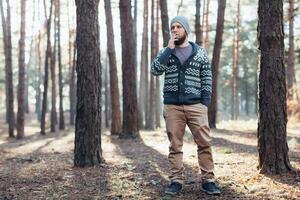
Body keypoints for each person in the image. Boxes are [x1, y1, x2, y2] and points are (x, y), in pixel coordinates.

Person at [151, 16, 220, 195]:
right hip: (172, 107)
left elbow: (207, 79)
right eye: (172, 27)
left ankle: (208, 180)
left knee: (204, 143)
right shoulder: (166, 52)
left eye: (178, 27)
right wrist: (168, 49)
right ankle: (176, 181)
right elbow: (155, 70)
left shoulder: (200, 52)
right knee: (175, 146)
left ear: (186, 30)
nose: (174, 30)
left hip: (196, 106)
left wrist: (205, 104)